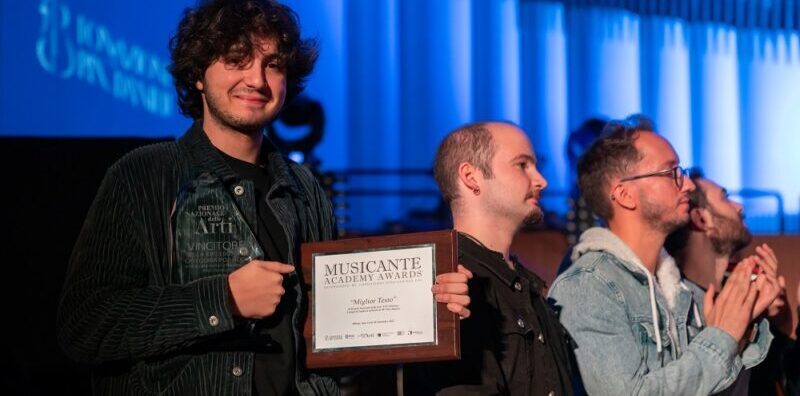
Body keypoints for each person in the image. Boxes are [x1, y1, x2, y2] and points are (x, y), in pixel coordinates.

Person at [56, 1, 470, 395]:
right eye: (237, 59)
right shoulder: (145, 175)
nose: (256, 79)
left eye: (272, 65)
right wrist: (224, 299)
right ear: (198, 74)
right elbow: (85, 325)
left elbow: (330, 342)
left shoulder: (304, 188)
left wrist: (423, 307)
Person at [548, 119, 779, 395]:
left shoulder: (683, 292)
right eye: (672, 172)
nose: (689, 185)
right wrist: (722, 337)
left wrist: (740, 331)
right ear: (625, 194)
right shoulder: (586, 287)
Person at [405, 121, 581, 396]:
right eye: (522, 165)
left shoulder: (526, 286)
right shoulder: (446, 285)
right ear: (471, 177)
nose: (541, 181)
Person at [665, 172, 797, 395]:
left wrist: (779, 323)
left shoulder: (744, 293)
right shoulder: (677, 307)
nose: (739, 207)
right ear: (701, 219)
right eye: (725, 198)